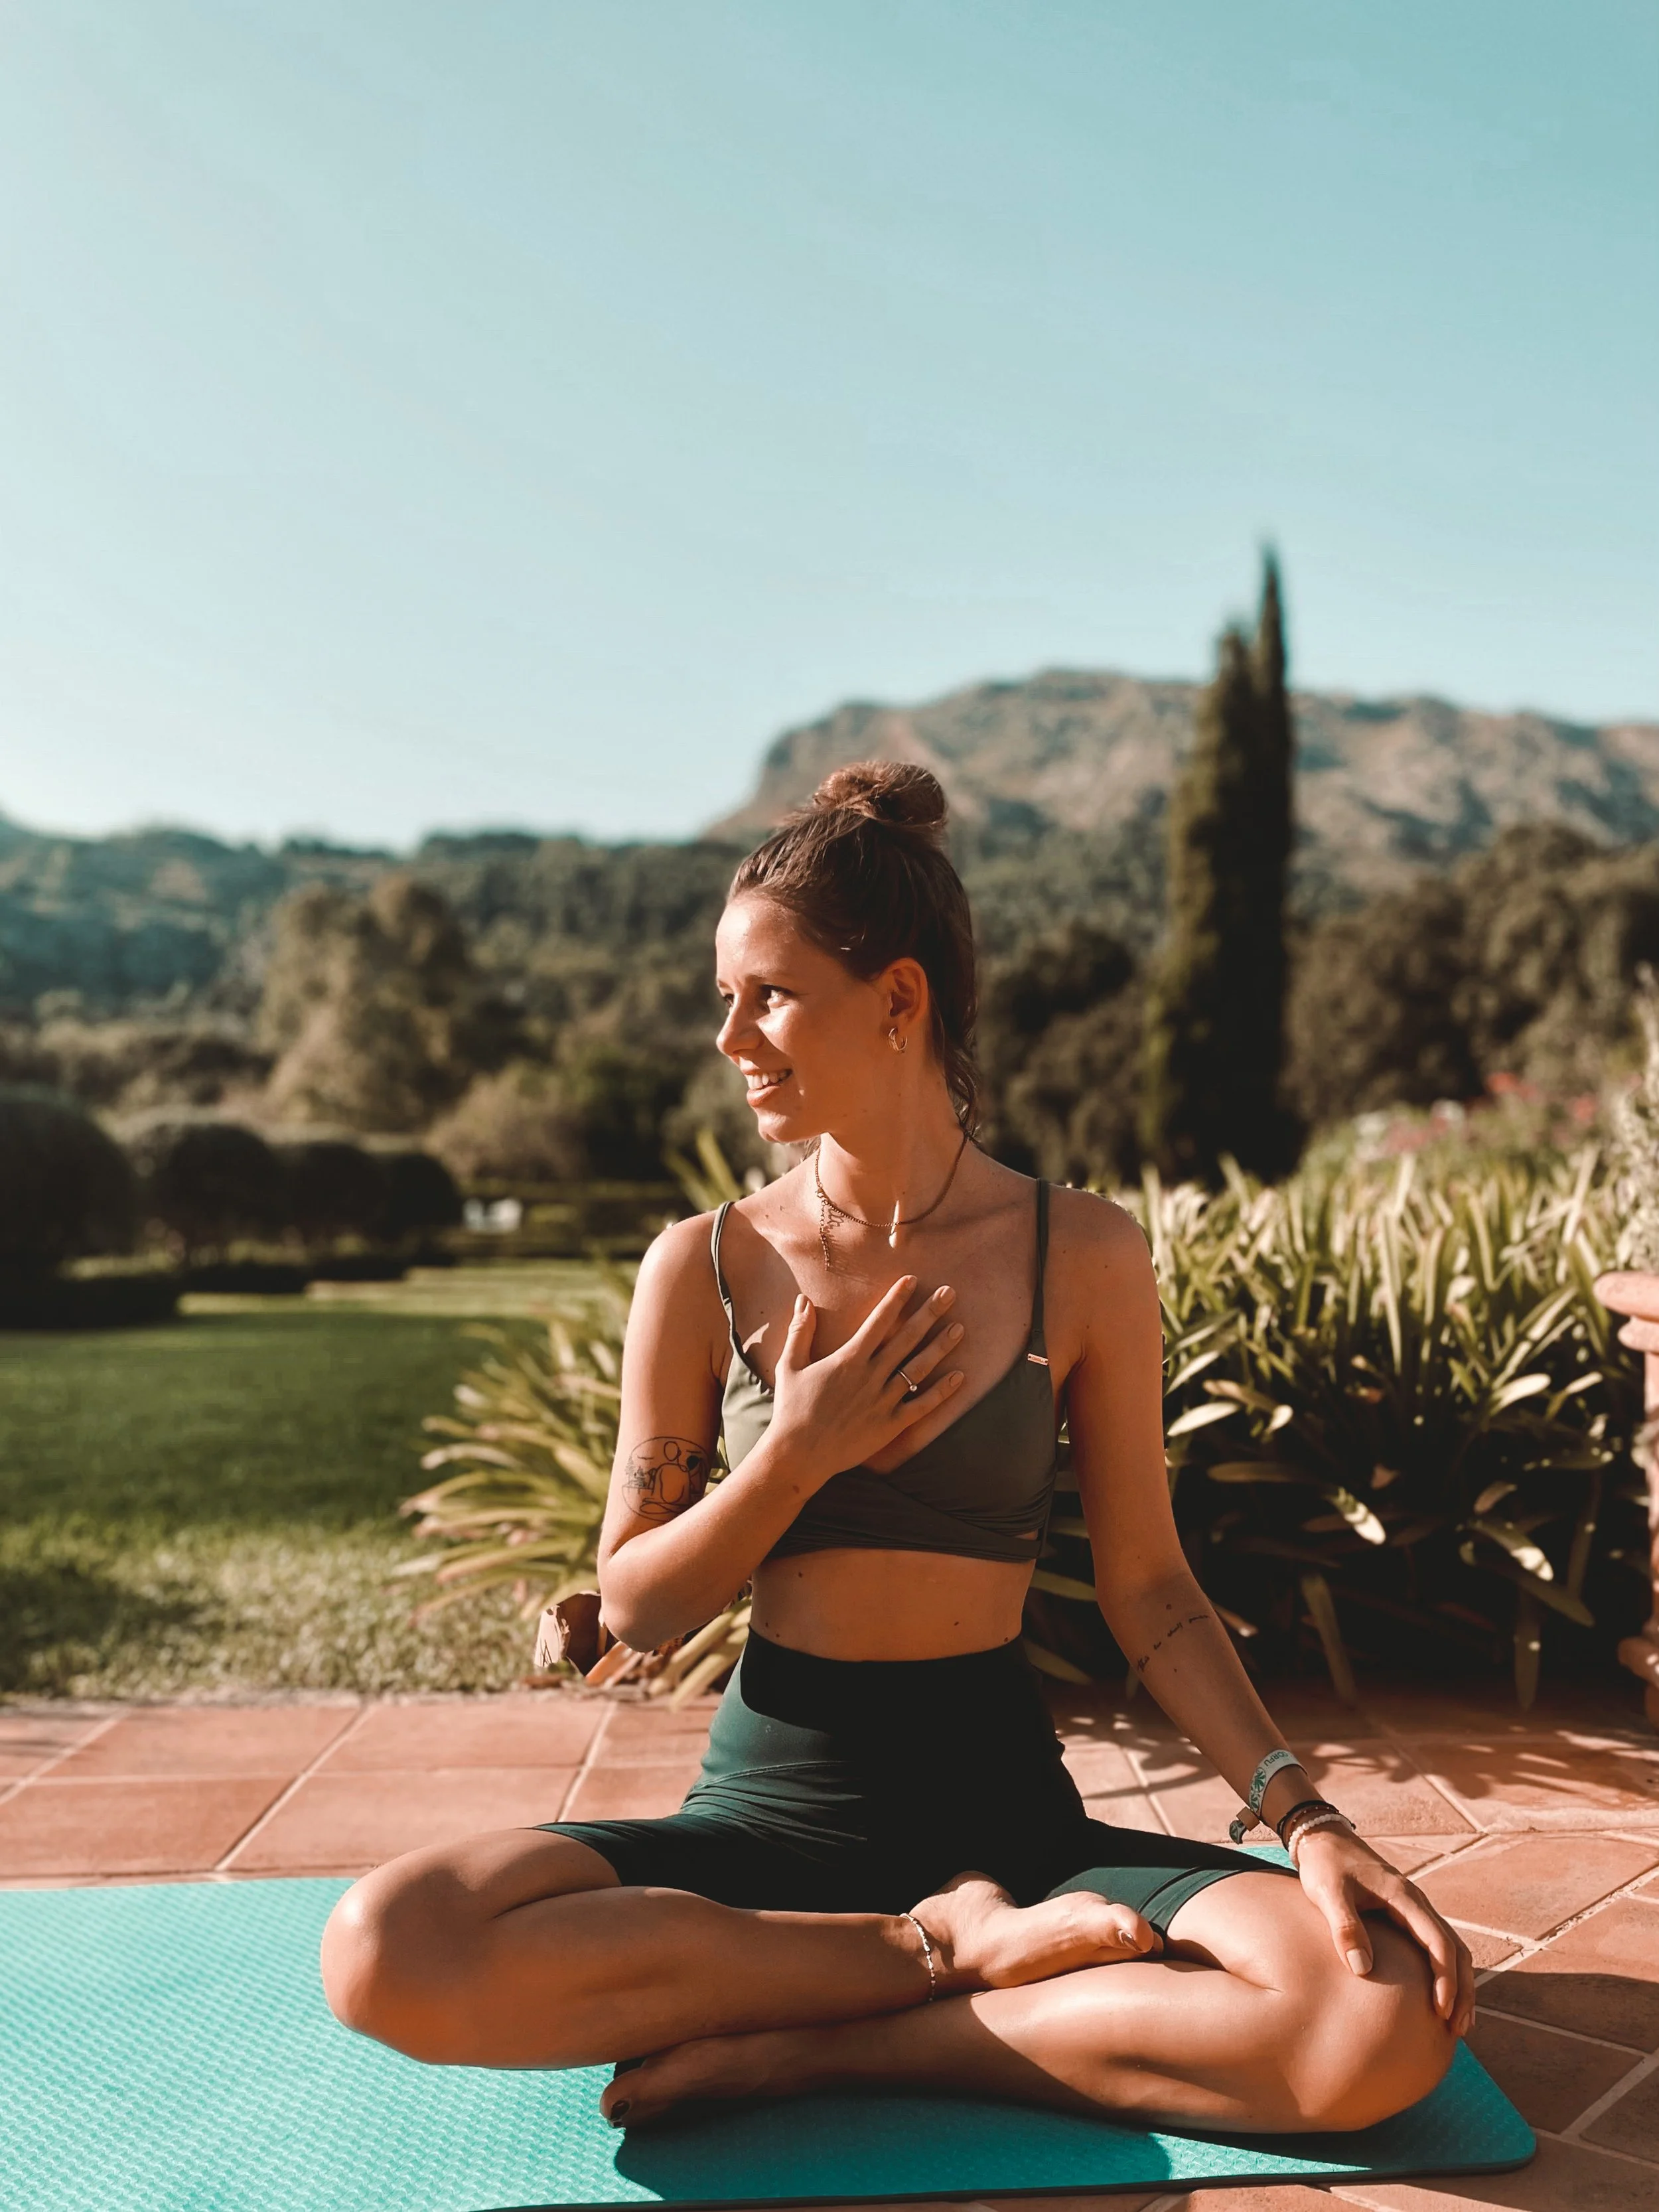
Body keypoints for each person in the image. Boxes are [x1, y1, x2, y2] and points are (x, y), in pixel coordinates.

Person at [321, 762, 1473, 2134]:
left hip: (1009, 1816)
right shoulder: (703, 1265)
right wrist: (794, 1454)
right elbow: (634, 1605)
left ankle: (818, 2048)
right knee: (389, 1947)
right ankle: (925, 1951)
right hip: (769, 1813)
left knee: (1377, 2018)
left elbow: (1151, 1589)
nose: (730, 1036)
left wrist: (1304, 1817)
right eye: (724, 999)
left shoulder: (1079, 1252)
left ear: (899, 997)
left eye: (768, 995)